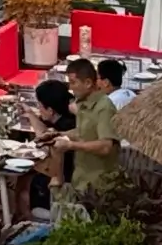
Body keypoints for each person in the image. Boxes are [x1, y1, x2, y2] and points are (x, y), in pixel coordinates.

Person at [52, 57, 121, 188]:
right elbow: (83, 131)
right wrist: (58, 134)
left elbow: (106, 146)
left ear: (88, 83)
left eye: (73, 83)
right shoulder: (83, 104)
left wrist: (71, 145)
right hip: (81, 180)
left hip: (100, 184)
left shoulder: (104, 107)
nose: (70, 88)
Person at [27, 78, 75, 205]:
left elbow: (44, 138)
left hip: (62, 182)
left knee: (27, 181)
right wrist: (30, 113)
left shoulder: (64, 128)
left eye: (40, 106)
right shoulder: (67, 119)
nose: (39, 109)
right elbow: (43, 133)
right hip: (64, 176)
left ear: (50, 110)